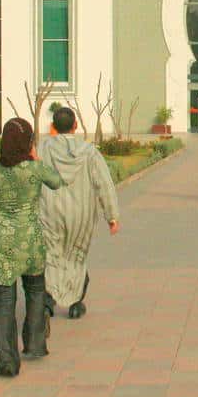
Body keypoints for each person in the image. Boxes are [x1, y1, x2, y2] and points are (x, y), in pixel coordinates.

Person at [0, 118, 65, 378]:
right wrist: (36, 159)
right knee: (36, 292)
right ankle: (36, 343)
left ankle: (6, 359)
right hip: (30, 241)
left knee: (4, 300)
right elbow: (57, 182)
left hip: (1, 242)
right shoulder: (34, 169)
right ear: (28, 143)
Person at [39, 107, 121, 321]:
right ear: (75, 125)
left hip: (50, 212)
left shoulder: (43, 148)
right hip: (81, 215)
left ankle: (48, 301)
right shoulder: (89, 151)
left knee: (51, 256)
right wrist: (112, 216)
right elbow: (104, 183)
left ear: (53, 127)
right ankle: (75, 303)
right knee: (76, 256)